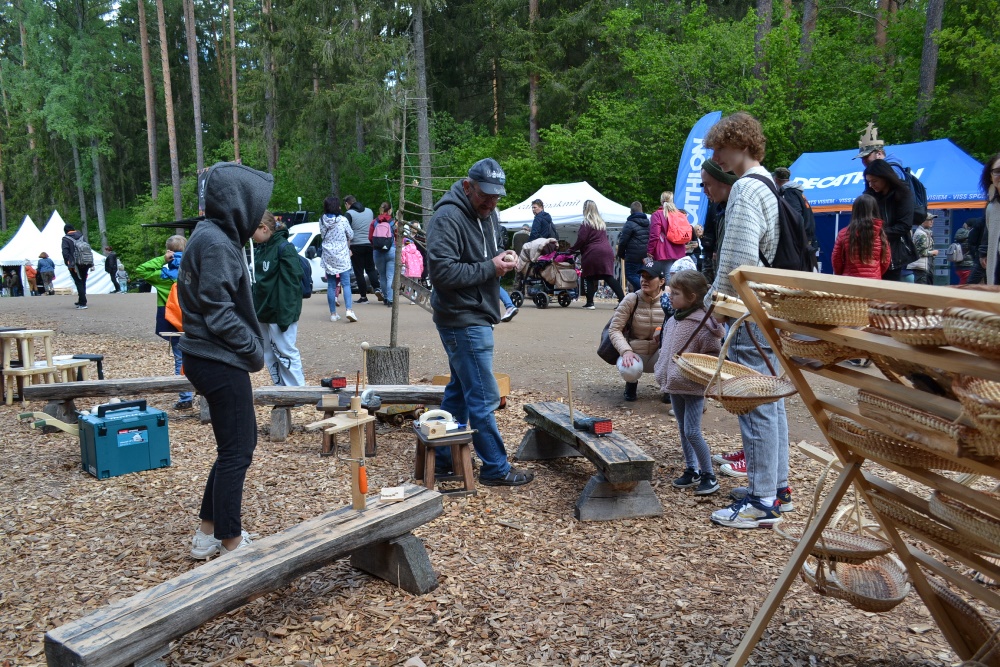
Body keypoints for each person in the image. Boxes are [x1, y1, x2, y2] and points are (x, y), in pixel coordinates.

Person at [180, 161, 273, 559]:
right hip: (217, 359)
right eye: (255, 204)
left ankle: (207, 533)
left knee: (235, 446)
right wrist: (253, 349)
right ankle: (231, 542)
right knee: (238, 450)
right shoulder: (217, 243)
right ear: (238, 202)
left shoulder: (209, 235)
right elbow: (218, 312)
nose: (258, 213)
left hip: (210, 357)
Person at [703, 111, 790, 528]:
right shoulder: (770, 183)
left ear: (741, 144)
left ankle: (761, 501)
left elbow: (738, 261)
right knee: (771, 399)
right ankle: (778, 489)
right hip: (770, 308)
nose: (716, 156)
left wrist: (714, 303)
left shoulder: (745, 188)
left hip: (748, 312)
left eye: (720, 147)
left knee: (754, 402)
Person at [425, 157, 534, 487]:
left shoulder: (488, 211)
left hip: (476, 313)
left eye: (496, 197)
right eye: (485, 195)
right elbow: (442, 273)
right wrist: (491, 267)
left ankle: (444, 459)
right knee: (484, 397)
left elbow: (490, 251)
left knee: (459, 392)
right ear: (467, 186)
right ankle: (495, 468)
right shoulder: (447, 217)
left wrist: (504, 257)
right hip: (462, 317)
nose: (490, 203)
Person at [654, 269, 724, 495]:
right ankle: (691, 469)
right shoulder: (675, 318)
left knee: (692, 431)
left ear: (692, 297)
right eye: (671, 292)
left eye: (675, 293)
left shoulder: (703, 324)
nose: (670, 297)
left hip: (692, 385)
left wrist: (697, 372)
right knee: (683, 429)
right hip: (674, 383)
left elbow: (713, 355)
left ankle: (709, 475)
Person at [134, 235, 195, 409]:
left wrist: (162, 259)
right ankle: (204, 390)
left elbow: (141, 270)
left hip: (173, 322)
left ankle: (185, 397)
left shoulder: (162, 275)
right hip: (193, 320)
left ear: (169, 252)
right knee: (200, 356)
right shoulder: (195, 271)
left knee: (180, 358)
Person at [252, 211, 306, 386]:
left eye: (253, 231)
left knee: (286, 352)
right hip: (263, 313)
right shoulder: (261, 248)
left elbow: (291, 286)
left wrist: (286, 316)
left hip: (280, 314)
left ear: (264, 228)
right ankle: (281, 389)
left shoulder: (284, 248)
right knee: (270, 353)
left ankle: (298, 393)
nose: (251, 236)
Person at [609, 260, 668, 402]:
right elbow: (615, 329)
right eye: (642, 276)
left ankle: (669, 387)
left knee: (676, 357)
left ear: (661, 281)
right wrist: (625, 351)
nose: (644, 280)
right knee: (630, 369)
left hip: (659, 354)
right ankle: (631, 383)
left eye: (650, 277)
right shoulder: (631, 299)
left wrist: (664, 334)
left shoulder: (670, 299)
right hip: (635, 352)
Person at [864, 159, 916, 282]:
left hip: (894, 253)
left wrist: (876, 236)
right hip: (874, 252)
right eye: (869, 181)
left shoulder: (903, 194)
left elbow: (904, 225)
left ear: (885, 177)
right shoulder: (869, 196)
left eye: (874, 181)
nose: (871, 185)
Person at [570, 200, 625, 309]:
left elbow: (582, 239)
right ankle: (623, 300)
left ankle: (590, 303)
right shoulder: (601, 223)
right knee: (608, 276)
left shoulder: (586, 223)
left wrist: (572, 249)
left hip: (593, 252)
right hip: (607, 251)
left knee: (588, 276)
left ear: (585, 209)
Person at [831, 193, 891, 280]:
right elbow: (885, 261)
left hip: (849, 280)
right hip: (874, 281)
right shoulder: (881, 234)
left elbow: (836, 260)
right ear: (875, 210)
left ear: (855, 211)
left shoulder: (843, 233)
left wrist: (842, 274)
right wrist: (875, 273)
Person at [699, 159, 738, 285]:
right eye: (703, 185)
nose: (704, 191)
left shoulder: (739, 209)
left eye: (707, 184)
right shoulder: (722, 207)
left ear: (723, 180)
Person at [320, 196, 357, 322]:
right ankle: (349, 310)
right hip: (342, 255)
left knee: (331, 285)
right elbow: (351, 234)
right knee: (346, 284)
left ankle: (333, 314)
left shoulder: (322, 220)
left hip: (328, 255)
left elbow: (322, 235)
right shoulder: (343, 220)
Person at [773, 167, 819, 256]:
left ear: (776, 179)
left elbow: (795, 215)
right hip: (807, 236)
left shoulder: (789, 192)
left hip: (800, 239)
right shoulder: (797, 191)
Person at [344, 195, 380, 303]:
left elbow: (346, 231)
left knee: (359, 272)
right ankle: (377, 288)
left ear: (347, 204)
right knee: (371, 269)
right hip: (369, 244)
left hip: (356, 245)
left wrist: (347, 247)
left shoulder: (349, 214)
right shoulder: (369, 211)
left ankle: (364, 297)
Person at [646, 191, 690, 270]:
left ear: (661, 201)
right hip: (680, 250)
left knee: (667, 274)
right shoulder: (679, 214)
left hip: (665, 251)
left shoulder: (657, 214)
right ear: (672, 200)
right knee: (676, 275)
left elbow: (655, 235)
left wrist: (650, 251)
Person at [977, 153, 1000, 286]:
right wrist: (984, 252)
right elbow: (989, 234)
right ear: (990, 176)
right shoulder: (992, 207)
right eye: (998, 171)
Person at [617, 201, 650, 291]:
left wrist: (621, 254)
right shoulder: (648, 223)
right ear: (642, 210)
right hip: (646, 255)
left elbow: (623, 241)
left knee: (631, 275)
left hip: (632, 255)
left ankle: (644, 289)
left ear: (631, 211)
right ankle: (639, 297)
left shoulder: (629, 224)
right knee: (641, 275)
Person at [370, 202, 395, 308]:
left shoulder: (374, 222)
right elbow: (398, 235)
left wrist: (376, 246)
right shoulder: (393, 222)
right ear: (390, 210)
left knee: (382, 276)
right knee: (390, 276)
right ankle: (390, 300)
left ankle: (385, 297)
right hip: (391, 250)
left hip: (377, 252)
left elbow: (370, 237)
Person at [62, 224, 93, 309]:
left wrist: (68, 263)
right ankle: (81, 300)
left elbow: (65, 252)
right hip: (85, 261)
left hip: (74, 263)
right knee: (83, 281)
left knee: (78, 282)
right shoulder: (81, 236)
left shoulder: (66, 239)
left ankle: (83, 303)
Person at [494, 218, 518, 322]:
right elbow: (502, 246)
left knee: (494, 286)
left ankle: (509, 306)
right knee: (495, 286)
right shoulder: (499, 228)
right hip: (499, 259)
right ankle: (509, 306)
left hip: (491, 261)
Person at [907, 213, 939, 285]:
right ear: (923, 221)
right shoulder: (921, 234)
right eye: (929, 220)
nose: (932, 221)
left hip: (925, 265)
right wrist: (933, 252)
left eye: (932, 219)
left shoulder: (926, 233)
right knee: (922, 286)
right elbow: (919, 252)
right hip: (921, 267)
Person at [952, 220, 976, 284]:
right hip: (968, 265)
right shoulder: (970, 237)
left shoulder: (958, 236)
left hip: (958, 266)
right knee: (966, 286)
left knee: (963, 282)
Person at [401, 238, 424, 304]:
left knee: (410, 284)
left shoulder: (404, 250)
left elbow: (403, 261)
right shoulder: (417, 251)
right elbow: (421, 262)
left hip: (409, 269)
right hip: (417, 271)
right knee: (416, 283)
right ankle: (416, 295)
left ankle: (412, 298)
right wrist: (421, 270)